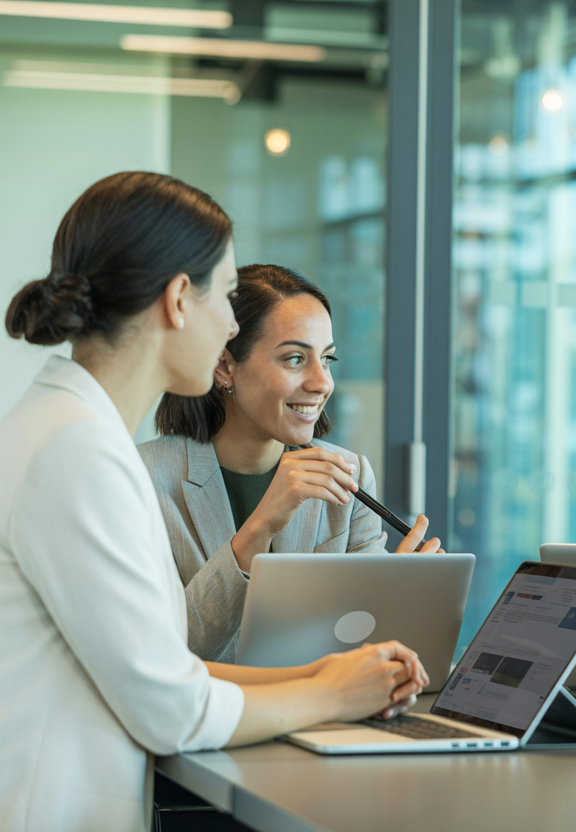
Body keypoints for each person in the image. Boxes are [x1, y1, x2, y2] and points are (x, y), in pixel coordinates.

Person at [0, 172, 429, 830]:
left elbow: (171, 666)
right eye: (227, 296)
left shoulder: (72, 432)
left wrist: (333, 672)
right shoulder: (79, 453)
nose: (230, 323)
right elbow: (172, 709)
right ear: (179, 299)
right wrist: (330, 694)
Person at [140, 264, 441, 662]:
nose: (322, 383)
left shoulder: (350, 476)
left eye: (327, 359)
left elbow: (359, 655)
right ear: (225, 366)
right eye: (296, 359)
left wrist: (396, 601)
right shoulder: (142, 479)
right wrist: (260, 525)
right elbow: (162, 654)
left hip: (317, 703)